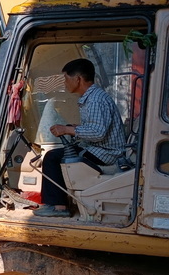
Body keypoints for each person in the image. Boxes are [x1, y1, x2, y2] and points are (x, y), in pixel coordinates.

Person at [34, 58, 127, 218]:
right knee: (58, 155)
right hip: (97, 149)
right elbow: (95, 126)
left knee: (52, 158)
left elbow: (98, 133)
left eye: (66, 79)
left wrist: (67, 129)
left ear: (78, 79)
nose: (64, 83)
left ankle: (59, 207)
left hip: (106, 153)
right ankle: (61, 202)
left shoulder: (96, 100)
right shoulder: (92, 97)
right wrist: (74, 127)